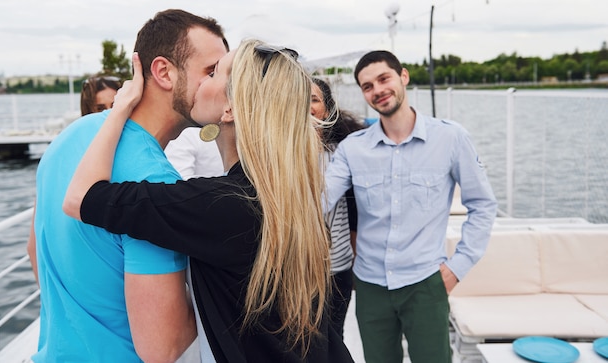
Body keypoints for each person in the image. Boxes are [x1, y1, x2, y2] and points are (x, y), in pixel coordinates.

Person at [62, 39, 355, 362]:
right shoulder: (283, 195)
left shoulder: (222, 206)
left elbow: (80, 198)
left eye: (214, 73)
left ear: (229, 108)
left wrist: (119, 110)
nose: (202, 80)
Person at [26, 9, 228, 362]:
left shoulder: (67, 139)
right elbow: (163, 349)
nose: (222, 85)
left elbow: (35, 250)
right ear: (164, 72)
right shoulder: (153, 180)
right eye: (211, 71)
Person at [323, 50, 498, 363]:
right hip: (370, 285)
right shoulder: (353, 149)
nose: (377, 90)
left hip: (426, 282)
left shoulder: (451, 138)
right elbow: (317, 201)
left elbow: (483, 206)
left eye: (383, 79)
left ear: (403, 76)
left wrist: (457, 268)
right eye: (367, 86)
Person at [311, 77, 365, 339]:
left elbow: (355, 214)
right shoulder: (277, 157)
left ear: (327, 110)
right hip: (295, 273)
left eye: (313, 100)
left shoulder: (343, 154)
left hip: (337, 270)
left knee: (334, 340)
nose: (306, 107)